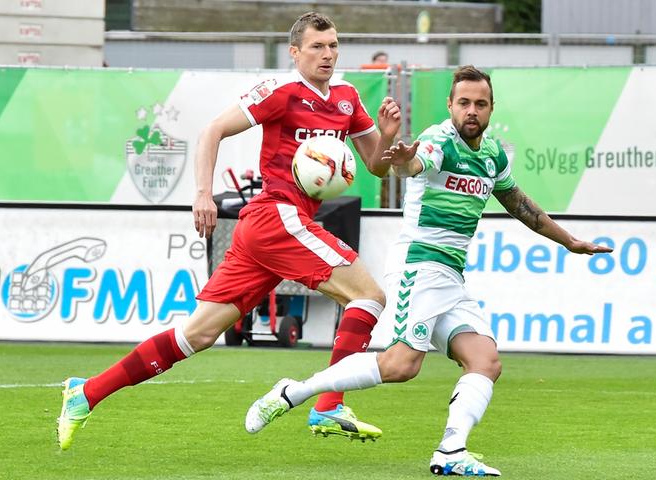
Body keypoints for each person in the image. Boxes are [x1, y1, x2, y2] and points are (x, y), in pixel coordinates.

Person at [244, 65, 614, 476]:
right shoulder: (441, 139)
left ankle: (451, 451)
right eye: (464, 103)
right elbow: (414, 165)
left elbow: (519, 204)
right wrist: (404, 161)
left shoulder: (491, 155)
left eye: (480, 104)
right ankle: (294, 392)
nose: (471, 111)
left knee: (485, 360)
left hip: (451, 276)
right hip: (419, 266)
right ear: (450, 105)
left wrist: (569, 242)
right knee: (402, 365)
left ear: (491, 108)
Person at [57, 11, 402, 450]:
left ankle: (85, 394)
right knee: (368, 296)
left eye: (333, 45)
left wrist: (389, 138)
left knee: (196, 336)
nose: (328, 54)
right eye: (317, 46)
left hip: (270, 228)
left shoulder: (348, 97)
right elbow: (213, 130)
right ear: (295, 52)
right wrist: (203, 193)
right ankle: (328, 403)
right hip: (277, 217)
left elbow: (376, 165)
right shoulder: (281, 91)